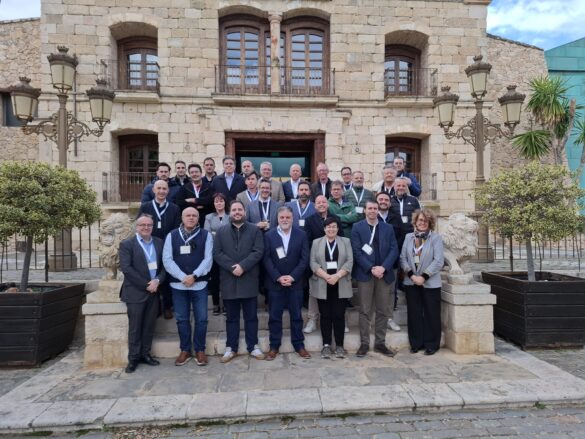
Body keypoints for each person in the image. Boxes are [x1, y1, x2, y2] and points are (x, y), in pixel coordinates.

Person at [213, 200, 265, 363]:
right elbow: (217, 253)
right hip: (229, 280)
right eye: (234, 209)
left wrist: (243, 266)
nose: (237, 212)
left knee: (251, 317)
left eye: (239, 209)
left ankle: (253, 346)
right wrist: (232, 267)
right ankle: (231, 348)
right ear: (230, 212)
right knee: (231, 318)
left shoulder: (255, 230)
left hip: (248, 279)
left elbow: (258, 251)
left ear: (244, 212)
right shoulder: (221, 231)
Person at [162, 207, 213, 367]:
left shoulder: (206, 235)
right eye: (188, 215)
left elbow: (208, 259)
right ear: (182, 218)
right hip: (178, 285)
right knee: (182, 319)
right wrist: (183, 277)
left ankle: (200, 350)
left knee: (202, 319)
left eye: (194, 215)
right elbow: (167, 259)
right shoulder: (172, 235)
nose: (191, 218)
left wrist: (194, 276)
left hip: (200, 284)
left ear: (198, 218)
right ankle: (185, 349)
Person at [351, 200, 399, 358]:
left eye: (375, 208)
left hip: (384, 274)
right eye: (370, 208)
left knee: (383, 310)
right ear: (364, 210)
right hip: (366, 274)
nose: (372, 211)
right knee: (365, 310)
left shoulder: (388, 228)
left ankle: (380, 343)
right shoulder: (357, 227)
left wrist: (383, 268)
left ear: (378, 210)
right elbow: (356, 251)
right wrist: (371, 268)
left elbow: (394, 249)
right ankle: (364, 343)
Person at [119, 213, 166, 374]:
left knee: (149, 326)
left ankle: (145, 354)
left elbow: (164, 266)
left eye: (149, 225)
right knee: (135, 327)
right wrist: (147, 285)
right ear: (136, 227)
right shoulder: (127, 244)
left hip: (154, 290)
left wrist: (157, 281)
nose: (146, 227)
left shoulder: (159, 242)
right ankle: (133, 358)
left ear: (152, 227)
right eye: (142, 225)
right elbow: (127, 269)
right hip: (135, 292)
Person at [263, 206, 310, 360]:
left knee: (296, 316)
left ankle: (299, 345)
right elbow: (266, 258)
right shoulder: (269, 235)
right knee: (274, 317)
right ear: (277, 219)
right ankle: (274, 346)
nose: (284, 220)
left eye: (287, 217)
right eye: (282, 217)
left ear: (292, 218)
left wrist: (292, 277)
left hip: (295, 283)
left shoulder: (301, 234)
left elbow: (304, 259)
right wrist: (278, 277)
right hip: (275, 284)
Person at [400, 208, 444, 355]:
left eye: (426, 221)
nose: (422, 223)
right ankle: (416, 343)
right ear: (415, 221)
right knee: (414, 313)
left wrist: (423, 277)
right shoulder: (408, 237)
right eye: (420, 220)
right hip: (411, 282)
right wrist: (412, 276)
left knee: (432, 314)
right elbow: (403, 258)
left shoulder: (436, 238)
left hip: (430, 283)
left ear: (430, 223)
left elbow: (439, 261)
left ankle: (432, 344)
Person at [309, 217, 353, 359]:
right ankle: (326, 345)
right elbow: (313, 262)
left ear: (338, 228)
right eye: (328, 227)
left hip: (340, 283)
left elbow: (350, 261)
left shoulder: (345, 241)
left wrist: (337, 276)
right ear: (324, 229)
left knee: (339, 315)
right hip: (323, 283)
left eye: (334, 226)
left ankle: (339, 345)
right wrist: (327, 276)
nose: (331, 229)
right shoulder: (316, 242)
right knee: (325, 315)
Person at [137, 179, 181, 319]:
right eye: (159, 188)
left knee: (166, 275)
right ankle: (154, 307)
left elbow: (176, 228)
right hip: (150, 246)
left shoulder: (174, 208)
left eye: (164, 188)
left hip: (168, 246)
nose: (162, 191)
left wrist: (169, 244)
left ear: (168, 191)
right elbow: (140, 226)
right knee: (151, 274)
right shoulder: (145, 207)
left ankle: (167, 306)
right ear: (153, 190)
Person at [303, 194, 343, 334]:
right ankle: (313, 319)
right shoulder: (309, 220)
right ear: (315, 205)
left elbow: (342, 239)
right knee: (314, 292)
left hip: (335, 262)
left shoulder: (336, 219)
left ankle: (339, 320)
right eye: (318, 202)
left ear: (328, 204)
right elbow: (307, 242)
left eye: (323, 202)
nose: (321, 204)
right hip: (317, 263)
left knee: (336, 292)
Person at [204, 193, 230, 315]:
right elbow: (207, 234)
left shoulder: (230, 216)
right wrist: (221, 234)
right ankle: (216, 304)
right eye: (216, 201)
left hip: (228, 253)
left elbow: (233, 233)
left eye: (221, 201)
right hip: (214, 252)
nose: (219, 203)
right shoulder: (209, 217)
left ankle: (226, 304)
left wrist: (216, 232)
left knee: (226, 279)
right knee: (214, 279)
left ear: (225, 202)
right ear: (213, 203)